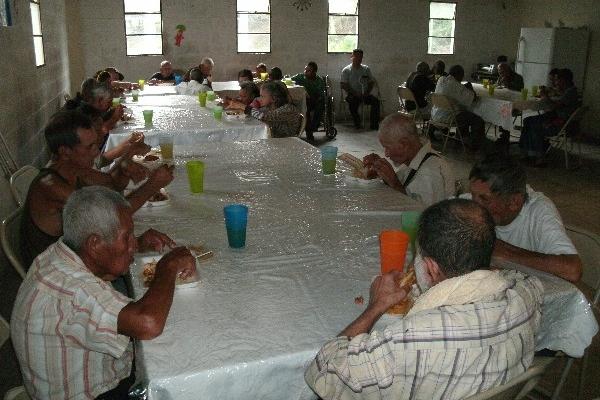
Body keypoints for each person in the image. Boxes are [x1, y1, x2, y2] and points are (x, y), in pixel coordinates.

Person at [305, 198, 544, 400]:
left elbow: (326, 372)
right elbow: (503, 276)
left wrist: (376, 305)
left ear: (430, 267)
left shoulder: (413, 339)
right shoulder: (529, 291)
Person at [12, 186, 195, 399]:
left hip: (92, 374)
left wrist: (135, 246)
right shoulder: (73, 289)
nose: (132, 243)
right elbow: (148, 323)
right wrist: (168, 266)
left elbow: (99, 275)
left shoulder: (61, 254)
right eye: (127, 237)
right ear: (95, 244)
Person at [21, 110, 173, 268]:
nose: (96, 152)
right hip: (55, 269)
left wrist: (125, 165)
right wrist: (153, 185)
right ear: (65, 151)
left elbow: (112, 185)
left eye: (96, 144)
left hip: (77, 254)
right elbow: (110, 217)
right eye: (89, 147)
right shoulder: (51, 186)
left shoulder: (75, 168)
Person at [467, 154, 582, 282]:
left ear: (514, 202)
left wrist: (505, 252)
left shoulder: (539, 211)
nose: (474, 205)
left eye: (484, 199)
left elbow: (573, 270)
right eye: (473, 195)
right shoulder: (471, 201)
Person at [362, 114, 454, 205]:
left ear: (404, 144)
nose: (386, 154)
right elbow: (406, 184)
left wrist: (395, 183)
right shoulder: (416, 156)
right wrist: (381, 171)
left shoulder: (430, 173)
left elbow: (420, 214)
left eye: (387, 147)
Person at [519, 68, 579, 167]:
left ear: (563, 80)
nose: (555, 83)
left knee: (535, 126)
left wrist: (545, 96)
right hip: (557, 119)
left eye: (556, 80)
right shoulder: (569, 90)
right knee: (528, 120)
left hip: (561, 124)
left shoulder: (570, 93)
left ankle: (539, 158)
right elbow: (556, 104)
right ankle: (526, 152)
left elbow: (553, 106)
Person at [431, 64, 485, 150]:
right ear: (459, 75)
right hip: (449, 117)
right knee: (478, 120)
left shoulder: (441, 80)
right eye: (462, 76)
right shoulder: (456, 86)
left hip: (435, 115)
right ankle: (474, 147)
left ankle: (460, 140)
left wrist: (463, 88)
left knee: (464, 112)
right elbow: (473, 98)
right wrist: (469, 88)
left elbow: (455, 93)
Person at [341, 49, 380, 130]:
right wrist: (355, 93)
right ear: (352, 57)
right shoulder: (346, 70)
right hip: (352, 95)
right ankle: (357, 123)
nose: (359, 59)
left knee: (376, 102)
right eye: (357, 57)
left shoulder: (366, 69)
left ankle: (374, 125)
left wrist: (366, 92)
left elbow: (371, 82)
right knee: (352, 103)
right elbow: (343, 85)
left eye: (361, 57)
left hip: (364, 94)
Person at [292, 61, 325, 141]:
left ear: (314, 72)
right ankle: (309, 132)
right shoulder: (300, 77)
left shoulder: (319, 81)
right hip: (303, 101)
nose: (305, 72)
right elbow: (289, 80)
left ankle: (313, 127)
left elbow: (321, 95)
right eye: (305, 70)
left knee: (321, 105)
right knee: (305, 108)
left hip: (315, 101)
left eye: (308, 71)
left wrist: (315, 98)